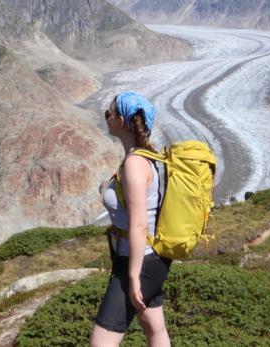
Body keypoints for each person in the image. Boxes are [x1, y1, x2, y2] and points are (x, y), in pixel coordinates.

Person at [90, 92, 172, 347]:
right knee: (153, 326)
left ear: (122, 120)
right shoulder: (146, 157)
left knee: (101, 342)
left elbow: (139, 224)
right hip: (145, 258)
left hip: (138, 262)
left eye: (109, 113)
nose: (106, 118)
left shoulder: (135, 164)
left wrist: (134, 275)